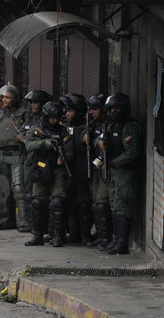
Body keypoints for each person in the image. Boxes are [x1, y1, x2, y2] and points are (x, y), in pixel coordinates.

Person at [95, 93, 140, 255]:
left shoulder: (129, 127)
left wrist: (114, 162)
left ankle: (122, 242)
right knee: (114, 205)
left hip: (124, 172)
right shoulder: (110, 125)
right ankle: (116, 239)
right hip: (112, 171)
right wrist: (99, 142)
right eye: (111, 108)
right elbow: (98, 138)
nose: (114, 111)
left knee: (121, 206)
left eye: (117, 108)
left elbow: (132, 152)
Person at [24, 101, 71, 247]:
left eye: (57, 118)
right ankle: (38, 235)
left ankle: (57, 236)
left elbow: (69, 149)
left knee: (57, 202)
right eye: (52, 118)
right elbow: (28, 145)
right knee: (37, 202)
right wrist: (45, 143)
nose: (55, 121)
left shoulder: (62, 131)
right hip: (41, 168)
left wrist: (62, 159)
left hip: (57, 170)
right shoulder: (36, 129)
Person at [0, 85, 31, 231]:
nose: (4, 100)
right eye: (3, 97)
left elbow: (30, 133)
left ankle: (23, 220)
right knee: (4, 190)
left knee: (18, 188)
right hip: (1, 157)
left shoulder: (24, 114)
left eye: (7, 97)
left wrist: (23, 138)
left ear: (15, 99)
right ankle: (8, 219)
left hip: (17, 156)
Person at [60, 94, 92, 245]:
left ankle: (86, 236)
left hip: (82, 170)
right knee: (70, 203)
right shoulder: (65, 127)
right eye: (66, 110)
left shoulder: (86, 128)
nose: (67, 113)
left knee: (84, 203)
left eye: (70, 110)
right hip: (67, 171)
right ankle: (73, 233)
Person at [84, 94, 113, 249]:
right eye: (90, 109)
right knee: (95, 203)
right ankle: (101, 235)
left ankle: (107, 238)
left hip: (104, 166)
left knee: (102, 203)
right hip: (94, 166)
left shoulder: (108, 124)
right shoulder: (93, 123)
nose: (92, 111)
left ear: (103, 109)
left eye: (95, 109)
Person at [21, 90, 52, 231]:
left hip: (45, 161)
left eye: (36, 102)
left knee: (45, 196)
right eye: (31, 103)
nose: (33, 105)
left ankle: (45, 226)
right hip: (30, 160)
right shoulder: (30, 119)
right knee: (28, 193)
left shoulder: (48, 120)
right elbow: (22, 134)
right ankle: (32, 223)